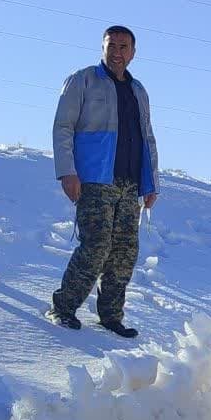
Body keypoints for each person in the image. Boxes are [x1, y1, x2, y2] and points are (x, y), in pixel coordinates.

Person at [46, 26, 159, 337]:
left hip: (130, 183)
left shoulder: (138, 90)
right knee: (96, 246)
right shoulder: (82, 80)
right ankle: (63, 308)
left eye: (124, 47)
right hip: (95, 179)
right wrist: (67, 171)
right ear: (103, 48)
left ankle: (110, 316)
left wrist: (151, 182)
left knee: (124, 251)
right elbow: (63, 127)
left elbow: (147, 138)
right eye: (112, 46)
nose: (117, 52)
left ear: (133, 52)